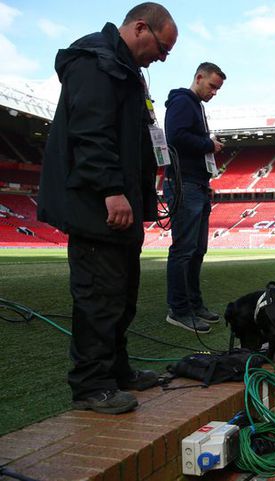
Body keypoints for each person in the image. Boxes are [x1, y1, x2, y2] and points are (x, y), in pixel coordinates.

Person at [37, 3, 178, 414]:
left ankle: (116, 370)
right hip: (96, 206)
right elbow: (91, 133)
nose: (163, 58)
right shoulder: (94, 60)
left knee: (121, 296)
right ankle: (90, 384)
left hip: (122, 207)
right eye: (162, 47)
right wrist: (112, 190)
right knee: (99, 297)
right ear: (140, 28)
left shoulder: (124, 68)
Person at [164, 62, 226, 333]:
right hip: (184, 183)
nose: (214, 92)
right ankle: (178, 310)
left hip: (196, 184)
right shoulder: (182, 102)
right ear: (199, 77)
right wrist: (208, 145)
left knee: (197, 250)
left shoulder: (195, 106)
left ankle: (193, 303)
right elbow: (174, 137)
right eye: (212, 86)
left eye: (218, 89)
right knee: (184, 249)